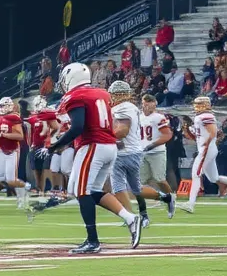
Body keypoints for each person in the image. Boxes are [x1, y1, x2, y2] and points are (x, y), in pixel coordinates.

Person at [47, 63, 141, 253]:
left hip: (92, 145)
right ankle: (130, 218)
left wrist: (56, 146)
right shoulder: (102, 93)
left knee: (82, 192)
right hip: (108, 145)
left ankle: (93, 240)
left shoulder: (75, 96)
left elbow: (78, 126)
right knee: (86, 190)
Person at [108, 83, 174, 227]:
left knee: (138, 187)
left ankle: (165, 198)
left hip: (129, 152)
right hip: (128, 150)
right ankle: (132, 217)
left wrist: (104, 136)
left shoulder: (124, 107)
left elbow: (122, 131)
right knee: (122, 188)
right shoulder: (130, 108)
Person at [178, 96, 227, 214]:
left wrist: (206, 143)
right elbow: (199, 136)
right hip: (206, 148)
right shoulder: (200, 117)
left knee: (195, 174)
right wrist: (190, 131)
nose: (195, 106)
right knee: (213, 178)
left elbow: (213, 132)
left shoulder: (207, 116)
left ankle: (190, 204)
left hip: (207, 149)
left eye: (198, 104)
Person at [0, 97, 31, 209]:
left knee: (11, 180)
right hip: (2, 150)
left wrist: (4, 135)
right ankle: (22, 187)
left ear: (9, 106)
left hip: (13, 150)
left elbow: (20, 136)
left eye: (3, 106)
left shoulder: (14, 118)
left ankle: (24, 190)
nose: (1, 108)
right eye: (0, 106)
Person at [138, 94, 174, 197]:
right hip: (141, 151)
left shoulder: (159, 117)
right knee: (142, 181)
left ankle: (171, 198)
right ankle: (155, 198)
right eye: (147, 104)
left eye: (152, 104)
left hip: (156, 151)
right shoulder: (138, 116)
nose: (149, 107)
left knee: (160, 179)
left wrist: (152, 145)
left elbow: (167, 135)